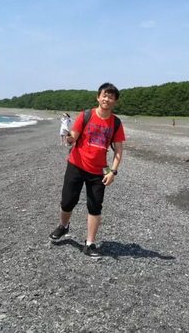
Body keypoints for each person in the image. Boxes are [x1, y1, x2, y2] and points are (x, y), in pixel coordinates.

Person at [49, 82, 125, 259]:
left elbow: (119, 150)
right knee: (67, 202)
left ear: (115, 101)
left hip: (98, 171)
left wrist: (112, 172)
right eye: (104, 95)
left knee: (95, 206)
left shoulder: (116, 123)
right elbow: (72, 139)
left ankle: (89, 244)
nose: (107, 99)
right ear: (98, 97)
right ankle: (63, 226)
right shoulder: (86, 115)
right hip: (76, 165)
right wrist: (69, 138)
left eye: (111, 97)